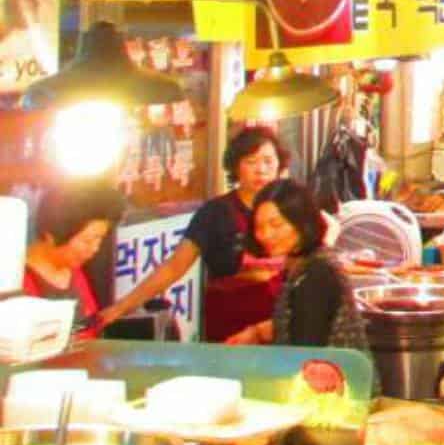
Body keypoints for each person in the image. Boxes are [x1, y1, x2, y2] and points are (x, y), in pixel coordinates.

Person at [100, 125, 289, 341]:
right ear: (236, 167)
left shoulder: (291, 208)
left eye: (268, 161)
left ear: (279, 164)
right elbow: (174, 267)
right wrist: (121, 307)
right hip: (229, 332)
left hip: (279, 328)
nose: (261, 170)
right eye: (251, 162)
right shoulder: (215, 213)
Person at [226, 181, 366, 350]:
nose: (266, 235)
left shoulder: (317, 275)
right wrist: (256, 333)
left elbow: (304, 352)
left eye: (276, 225)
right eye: (259, 227)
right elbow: (297, 321)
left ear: (302, 222)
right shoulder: (300, 264)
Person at [23, 184, 125, 339]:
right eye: (87, 240)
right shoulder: (18, 280)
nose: (95, 248)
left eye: (99, 239)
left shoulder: (75, 270)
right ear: (51, 235)